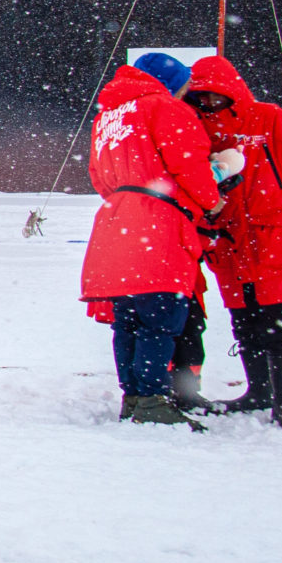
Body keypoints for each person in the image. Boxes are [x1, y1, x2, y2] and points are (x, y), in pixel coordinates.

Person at [82, 53, 224, 432]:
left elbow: (98, 177)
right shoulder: (165, 109)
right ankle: (152, 400)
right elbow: (189, 165)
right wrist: (213, 200)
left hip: (117, 220)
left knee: (127, 319)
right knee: (161, 317)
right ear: (170, 82)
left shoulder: (107, 116)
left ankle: (133, 397)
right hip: (159, 223)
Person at [183, 56, 282, 428]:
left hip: (277, 235)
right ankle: (259, 393)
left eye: (213, 97)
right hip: (230, 239)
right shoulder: (196, 128)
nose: (207, 105)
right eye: (200, 98)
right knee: (245, 317)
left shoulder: (270, 118)